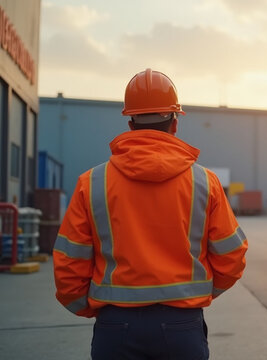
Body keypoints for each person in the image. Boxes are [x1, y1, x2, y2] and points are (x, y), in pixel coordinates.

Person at [53, 68, 248, 359]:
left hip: (114, 327)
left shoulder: (91, 183)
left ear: (131, 123)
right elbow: (232, 257)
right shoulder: (204, 182)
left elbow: (69, 265)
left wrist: (91, 307)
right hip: (183, 327)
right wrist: (199, 293)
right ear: (175, 123)